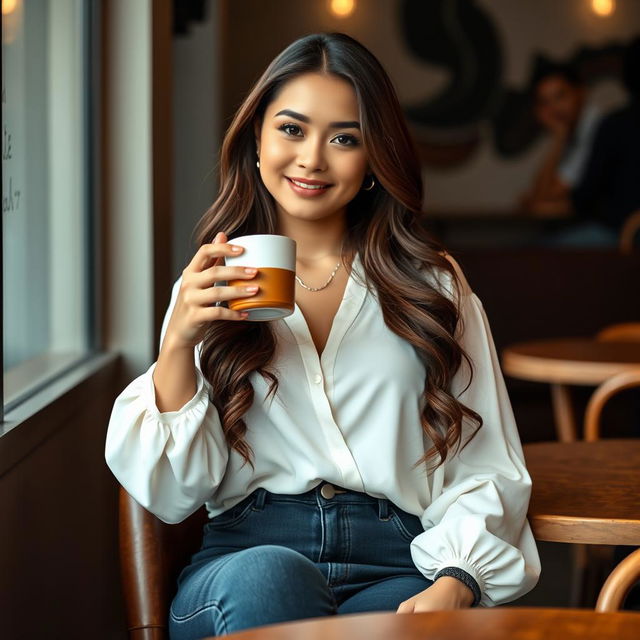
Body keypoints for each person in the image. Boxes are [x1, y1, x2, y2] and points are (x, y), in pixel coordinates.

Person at [105, 33, 540, 639]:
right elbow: (173, 495)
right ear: (257, 140)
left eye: (344, 138)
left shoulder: (430, 285)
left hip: (397, 560)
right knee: (270, 582)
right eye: (291, 129)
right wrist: (177, 344)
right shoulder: (214, 280)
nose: (312, 157)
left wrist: (456, 580)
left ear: (371, 161)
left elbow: (486, 462)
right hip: (245, 561)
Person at [571, 36, 640, 237]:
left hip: (617, 236)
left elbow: (584, 198)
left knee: (539, 257)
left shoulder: (616, 124)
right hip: (620, 236)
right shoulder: (614, 123)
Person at [522, 62, 602, 220]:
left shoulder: (596, 129)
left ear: (581, 92)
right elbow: (540, 197)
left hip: (617, 230)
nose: (555, 108)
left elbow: (543, 198)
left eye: (560, 96)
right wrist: (559, 138)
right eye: (545, 102)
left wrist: (558, 138)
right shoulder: (572, 133)